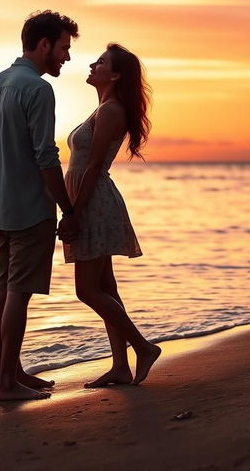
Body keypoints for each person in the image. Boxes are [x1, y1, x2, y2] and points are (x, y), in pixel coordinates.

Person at [0, 10, 80, 401]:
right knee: (17, 293)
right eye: (63, 48)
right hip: (27, 207)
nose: (66, 58)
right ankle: (5, 384)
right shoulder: (38, 89)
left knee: (1, 290)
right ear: (43, 44)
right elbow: (46, 157)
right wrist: (68, 209)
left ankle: (5, 375)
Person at [61, 44, 161, 387]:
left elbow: (91, 167)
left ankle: (143, 347)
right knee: (105, 286)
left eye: (101, 62)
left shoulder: (110, 110)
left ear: (115, 75)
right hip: (90, 201)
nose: (92, 64)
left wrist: (74, 212)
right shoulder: (103, 108)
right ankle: (120, 366)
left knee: (87, 290)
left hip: (93, 204)